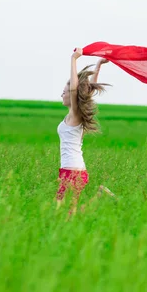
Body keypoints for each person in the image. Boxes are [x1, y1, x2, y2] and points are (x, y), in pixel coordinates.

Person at [56, 48, 109, 215]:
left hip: (72, 170)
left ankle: (101, 196)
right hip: (72, 169)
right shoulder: (74, 115)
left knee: (61, 213)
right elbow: (87, 91)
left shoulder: (75, 114)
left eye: (64, 92)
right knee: (70, 213)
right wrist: (99, 65)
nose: (62, 95)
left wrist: (73, 59)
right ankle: (101, 195)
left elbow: (75, 90)